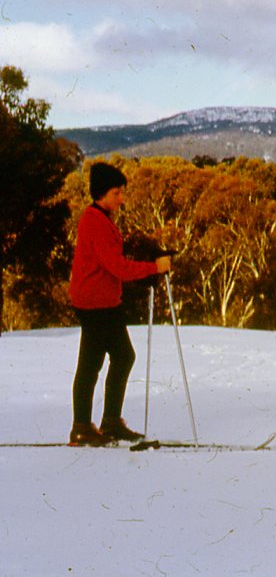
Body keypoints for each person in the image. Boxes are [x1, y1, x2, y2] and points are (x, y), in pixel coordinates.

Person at [68, 162, 171, 447]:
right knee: (116, 358)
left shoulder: (99, 218)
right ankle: (94, 425)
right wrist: (153, 268)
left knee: (99, 361)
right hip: (96, 303)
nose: (121, 198)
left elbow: (114, 262)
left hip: (97, 301)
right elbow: (117, 267)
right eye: (117, 193)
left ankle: (93, 424)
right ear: (101, 194)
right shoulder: (95, 221)